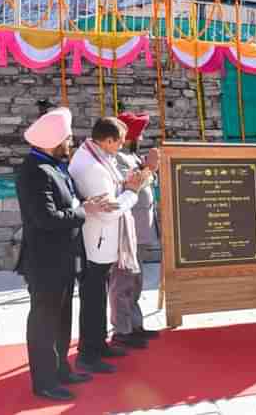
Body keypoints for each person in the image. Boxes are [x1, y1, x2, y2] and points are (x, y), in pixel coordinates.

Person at [16, 108, 116, 400]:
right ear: (53, 140)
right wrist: (85, 211)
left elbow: (68, 202)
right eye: (68, 138)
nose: (71, 143)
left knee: (62, 317)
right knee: (44, 321)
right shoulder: (35, 171)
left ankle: (61, 369)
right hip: (45, 261)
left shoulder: (53, 165)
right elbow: (46, 218)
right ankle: (44, 382)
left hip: (63, 257)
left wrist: (87, 203)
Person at [69, 117, 149, 373]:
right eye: (120, 142)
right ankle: (88, 354)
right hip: (97, 241)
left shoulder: (94, 155)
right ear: (107, 141)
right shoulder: (92, 167)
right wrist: (132, 191)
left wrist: (125, 185)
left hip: (100, 241)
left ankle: (97, 344)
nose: (122, 146)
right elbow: (109, 211)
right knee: (93, 299)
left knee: (97, 297)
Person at [109, 111, 161, 348]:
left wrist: (151, 168)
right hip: (127, 230)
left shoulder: (132, 156)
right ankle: (121, 330)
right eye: (139, 134)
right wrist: (149, 168)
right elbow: (131, 185)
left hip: (140, 230)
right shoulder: (118, 158)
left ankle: (135, 324)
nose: (142, 138)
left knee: (136, 281)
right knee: (123, 282)